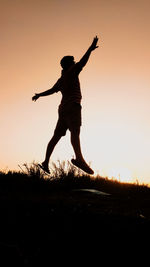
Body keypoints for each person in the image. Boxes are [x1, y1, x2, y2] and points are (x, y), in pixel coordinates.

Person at [32, 36, 99, 174]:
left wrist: (39, 94)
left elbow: (52, 90)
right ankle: (79, 159)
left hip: (62, 110)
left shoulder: (61, 79)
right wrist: (90, 49)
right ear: (68, 64)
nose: (74, 62)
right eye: (72, 61)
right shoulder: (72, 71)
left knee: (56, 136)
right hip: (73, 107)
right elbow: (82, 62)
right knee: (75, 132)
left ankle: (45, 162)